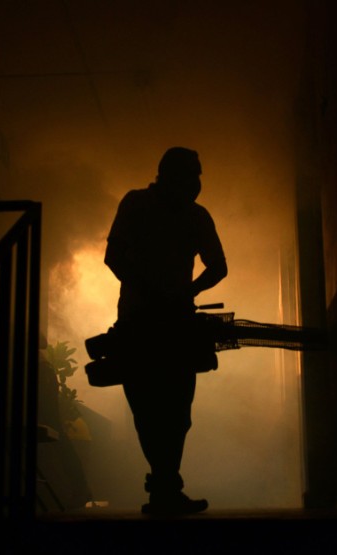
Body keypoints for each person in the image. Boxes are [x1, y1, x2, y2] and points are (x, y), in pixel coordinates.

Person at [103, 147, 227, 515]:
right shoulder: (150, 207)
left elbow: (114, 256)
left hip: (150, 320)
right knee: (163, 406)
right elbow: (216, 267)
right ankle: (165, 486)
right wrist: (179, 294)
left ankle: (164, 486)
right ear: (170, 175)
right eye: (192, 175)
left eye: (198, 175)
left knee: (165, 408)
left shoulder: (163, 209)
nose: (197, 183)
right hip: (157, 321)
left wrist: (171, 293)